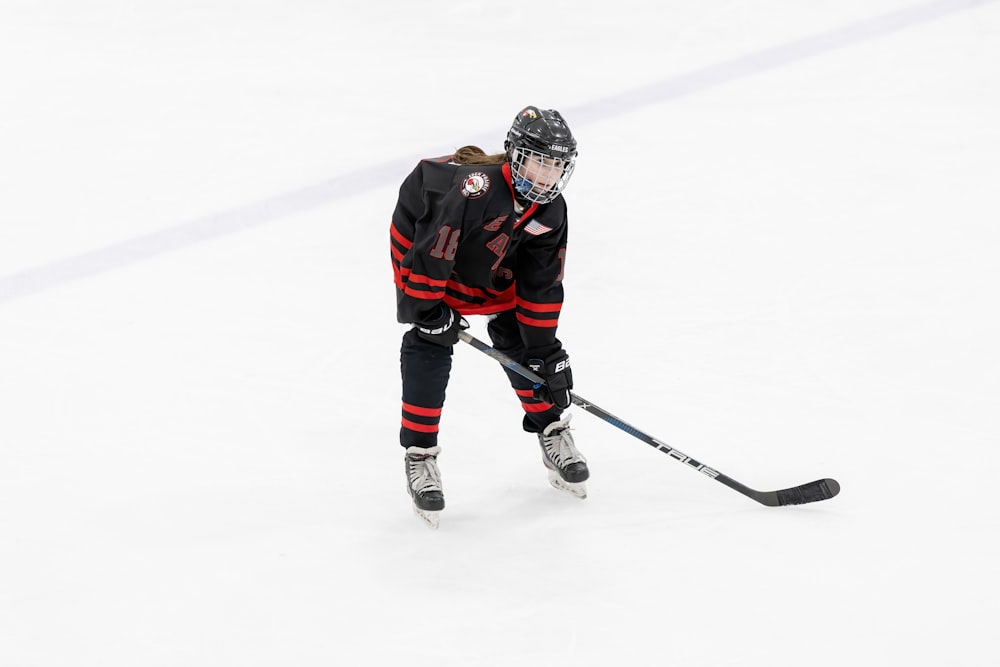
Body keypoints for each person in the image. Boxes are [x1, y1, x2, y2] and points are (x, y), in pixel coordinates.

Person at [389, 106, 587, 527]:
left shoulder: (550, 211)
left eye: (556, 165)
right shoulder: (474, 190)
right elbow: (431, 252)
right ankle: (420, 455)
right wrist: (427, 310)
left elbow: (543, 284)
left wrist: (546, 351)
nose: (548, 175)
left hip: (491, 257)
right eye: (539, 161)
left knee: (526, 344)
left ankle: (551, 429)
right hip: (426, 250)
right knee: (431, 340)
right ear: (516, 154)